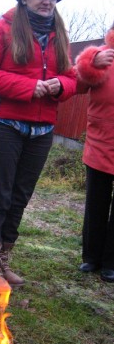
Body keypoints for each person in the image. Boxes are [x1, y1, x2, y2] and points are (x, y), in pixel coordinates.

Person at [0, 0, 77, 290]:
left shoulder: (59, 35)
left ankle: (4, 261)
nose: (47, 0)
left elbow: (73, 78)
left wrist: (62, 85)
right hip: (3, 124)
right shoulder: (3, 29)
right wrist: (28, 87)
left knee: (20, 197)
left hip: (42, 130)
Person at [75, 24, 114, 283]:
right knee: (96, 203)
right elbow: (76, 83)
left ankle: (111, 262)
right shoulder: (104, 55)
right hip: (101, 143)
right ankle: (91, 257)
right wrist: (90, 61)